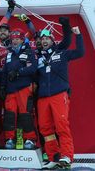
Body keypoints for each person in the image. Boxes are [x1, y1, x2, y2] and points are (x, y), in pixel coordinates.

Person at [37, 26, 85, 169]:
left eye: (47, 38)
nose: (44, 41)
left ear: (52, 40)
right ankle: (54, 157)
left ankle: (67, 156)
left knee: (61, 125)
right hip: (43, 98)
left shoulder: (61, 53)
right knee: (46, 129)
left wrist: (78, 35)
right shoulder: (38, 57)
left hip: (59, 95)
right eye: (42, 39)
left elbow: (80, 52)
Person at [0, 28, 38, 150]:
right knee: (9, 115)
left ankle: (30, 139)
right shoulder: (9, 53)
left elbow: (33, 68)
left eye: (17, 39)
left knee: (25, 114)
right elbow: (5, 72)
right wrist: (2, 86)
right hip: (11, 90)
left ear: (22, 40)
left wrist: (18, 72)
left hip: (24, 88)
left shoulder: (29, 52)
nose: (15, 41)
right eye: (13, 39)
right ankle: (9, 139)